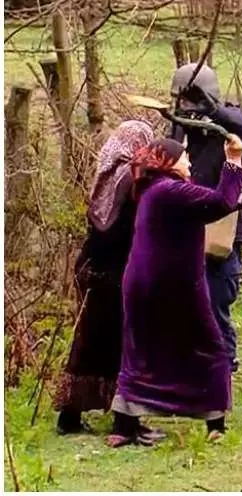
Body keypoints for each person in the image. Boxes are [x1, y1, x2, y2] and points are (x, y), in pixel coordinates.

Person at [107, 135, 242, 448]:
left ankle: (124, 426)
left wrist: (237, 187)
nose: (190, 161)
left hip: (143, 282)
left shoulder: (152, 190)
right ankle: (216, 424)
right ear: (168, 162)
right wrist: (234, 161)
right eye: (184, 156)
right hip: (172, 285)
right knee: (210, 348)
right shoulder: (169, 190)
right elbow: (220, 203)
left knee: (141, 353)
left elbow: (212, 204)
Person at [53, 121, 154, 436]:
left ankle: (70, 416)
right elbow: (131, 227)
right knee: (125, 344)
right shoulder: (131, 177)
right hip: (115, 270)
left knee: (90, 342)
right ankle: (127, 421)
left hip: (92, 266)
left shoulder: (108, 172)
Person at [168, 62, 242, 373]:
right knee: (187, 302)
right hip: (189, 226)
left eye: (191, 99)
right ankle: (193, 368)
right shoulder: (181, 126)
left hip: (224, 231)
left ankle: (223, 368)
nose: (186, 106)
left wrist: (213, 110)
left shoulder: (229, 122)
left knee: (217, 302)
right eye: (182, 99)